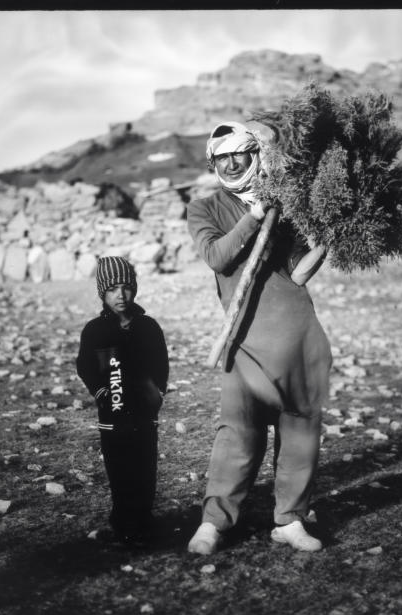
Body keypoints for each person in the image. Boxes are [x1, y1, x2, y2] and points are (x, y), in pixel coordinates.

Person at [185, 121, 333, 554]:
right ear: (213, 162)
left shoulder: (284, 203)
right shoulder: (205, 208)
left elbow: (299, 273)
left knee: (301, 431)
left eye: (239, 155)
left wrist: (327, 239)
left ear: (255, 155)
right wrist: (254, 214)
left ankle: (290, 519)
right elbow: (217, 256)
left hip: (299, 333)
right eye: (221, 158)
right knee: (238, 434)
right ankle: (214, 522)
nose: (231, 164)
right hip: (246, 339)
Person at [76, 256, 169, 548]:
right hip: (112, 416)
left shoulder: (148, 327)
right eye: (113, 288)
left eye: (127, 287)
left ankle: (143, 522)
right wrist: (100, 391)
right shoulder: (95, 331)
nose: (121, 294)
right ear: (102, 292)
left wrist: (158, 393)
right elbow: (85, 366)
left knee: (145, 468)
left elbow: (161, 365)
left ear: (135, 289)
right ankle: (122, 524)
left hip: (143, 415)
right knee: (119, 471)